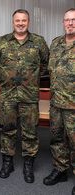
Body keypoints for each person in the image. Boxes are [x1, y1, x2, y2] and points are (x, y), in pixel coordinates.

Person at [0, 9, 49, 183]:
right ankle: (7, 162)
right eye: (18, 20)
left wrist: (32, 78)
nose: (21, 23)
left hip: (29, 96)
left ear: (28, 22)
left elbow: (46, 64)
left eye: (24, 20)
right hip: (8, 95)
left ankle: (28, 165)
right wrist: (6, 76)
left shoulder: (38, 42)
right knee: (7, 130)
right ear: (13, 22)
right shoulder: (2, 42)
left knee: (30, 132)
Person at [42, 8, 75, 195]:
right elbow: (48, 70)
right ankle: (60, 170)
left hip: (73, 106)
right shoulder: (55, 43)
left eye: (73, 20)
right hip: (56, 103)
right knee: (56, 139)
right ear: (63, 23)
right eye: (67, 20)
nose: (70, 23)